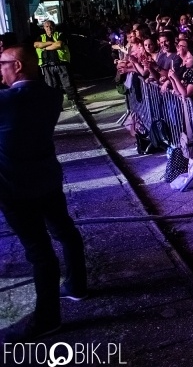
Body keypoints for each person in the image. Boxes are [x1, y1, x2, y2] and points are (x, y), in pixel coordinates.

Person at [0, 45, 87, 341]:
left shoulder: (8, 101)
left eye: (2, 63)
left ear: (18, 66)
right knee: (65, 231)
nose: (0, 69)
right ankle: (77, 285)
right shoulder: (52, 95)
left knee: (39, 252)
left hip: (14, 187)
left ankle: (47, 318)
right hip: (47, 179)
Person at [34, 20, 78, 104]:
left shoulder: (60, 35)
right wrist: (51, 43)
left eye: (51, 26)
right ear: (44, 28)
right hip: (47, 66)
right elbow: (36, 45)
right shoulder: (41, 37)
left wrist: (44, 47)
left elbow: (58, 45)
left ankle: (75, 102)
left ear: (54, 27)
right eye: (47, 26)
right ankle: (57, 104)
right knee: (52, 87)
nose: (49, 28)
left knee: (68, 84)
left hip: (61, 64)